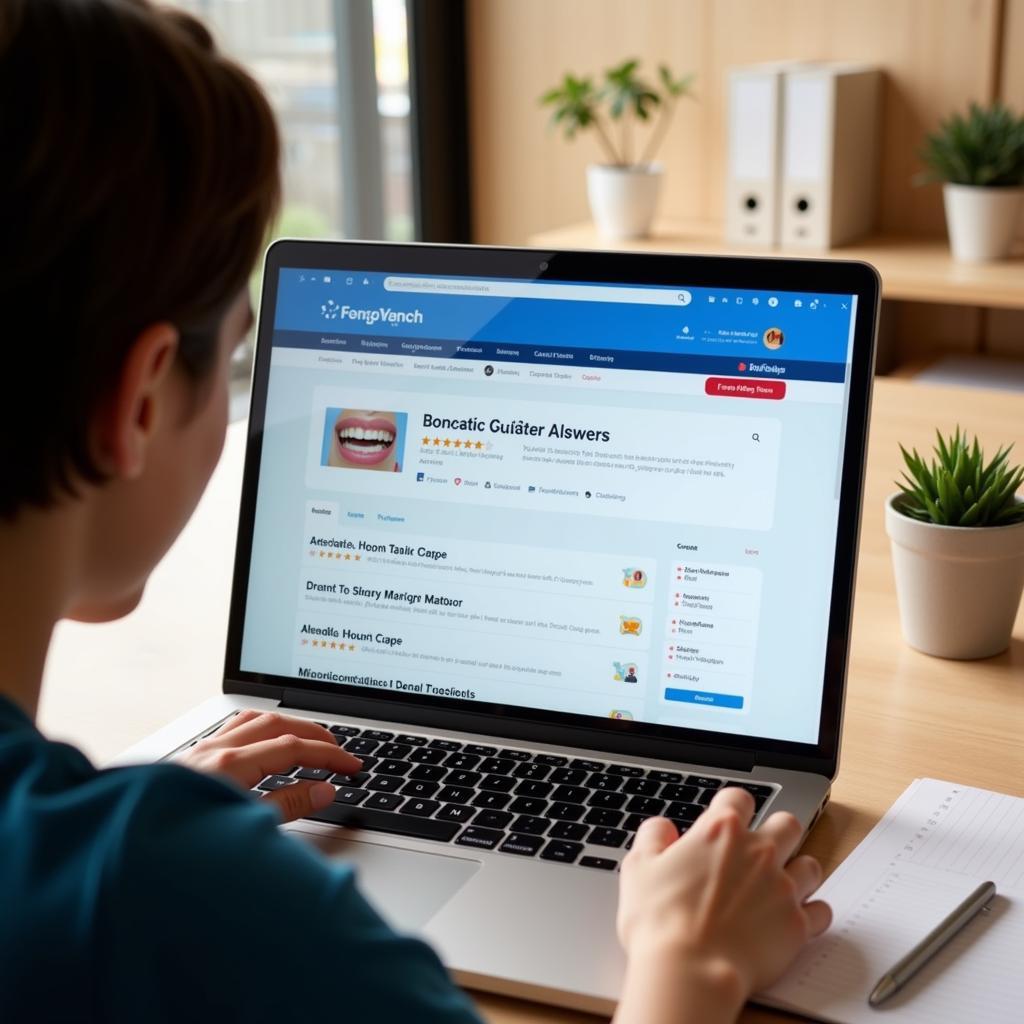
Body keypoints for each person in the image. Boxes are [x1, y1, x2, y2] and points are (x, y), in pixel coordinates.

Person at [0, 2, 831, 1022]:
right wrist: (687, 967)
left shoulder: (109, 855)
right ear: (139, 400)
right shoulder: (162, 889)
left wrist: (145, 818)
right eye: (242, 359)